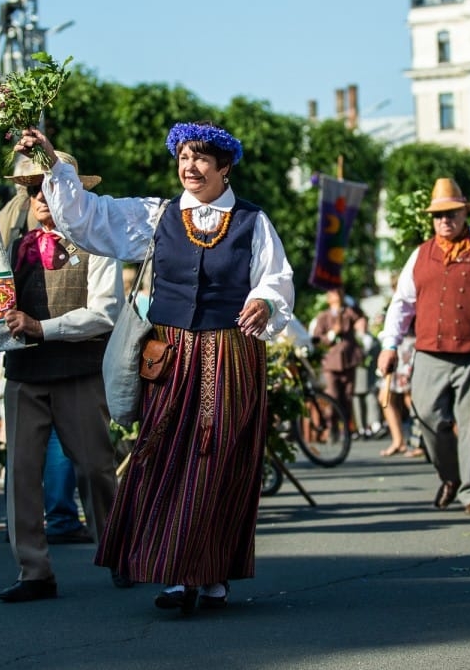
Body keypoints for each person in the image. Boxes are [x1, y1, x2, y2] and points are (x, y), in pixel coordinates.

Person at [16, 121, 294, 615]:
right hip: (171, 356)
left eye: (202, 158)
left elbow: (275, 280)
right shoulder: (157, 216)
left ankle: (210, 575)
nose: (190, 167)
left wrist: (266, 305)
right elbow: (90, 218)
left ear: (225, 168)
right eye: (184, 157)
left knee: (218, 462)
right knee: (165, 457)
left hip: (231, 357)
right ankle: (178, 573)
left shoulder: (254, 222)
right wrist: (53, 164)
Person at [0, 151, 125, 603]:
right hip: (25, 372)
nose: (39, 196)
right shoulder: (11, 247)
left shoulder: (99, 244)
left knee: (95, 468)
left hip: (78, 372)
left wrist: (41, 328)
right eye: (32, 189)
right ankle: (33, 570)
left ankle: (116, 552)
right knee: (22, 475)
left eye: (47, 184)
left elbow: (105, 313)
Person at [377, 178, 470, 518]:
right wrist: (390, 344)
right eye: (438, 215)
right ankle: (450, 476)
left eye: (452, 213)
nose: (445, 221)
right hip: (429, 351)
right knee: (426, 416)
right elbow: (402, 303)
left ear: (464, 213)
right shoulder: (420, 254)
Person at [310, 288, 366, 434]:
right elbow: (316, 339)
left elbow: (360, 316)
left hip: (349, 360)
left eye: (339, 293)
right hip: (331, 363)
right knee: (333, 396)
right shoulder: (323, 317)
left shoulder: (348, 312)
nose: (337, 296)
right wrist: (331, 334)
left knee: (348, 395)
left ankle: (347, 429)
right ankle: (332, 426)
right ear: (328, 298)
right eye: (334, 293)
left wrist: (345, 307)